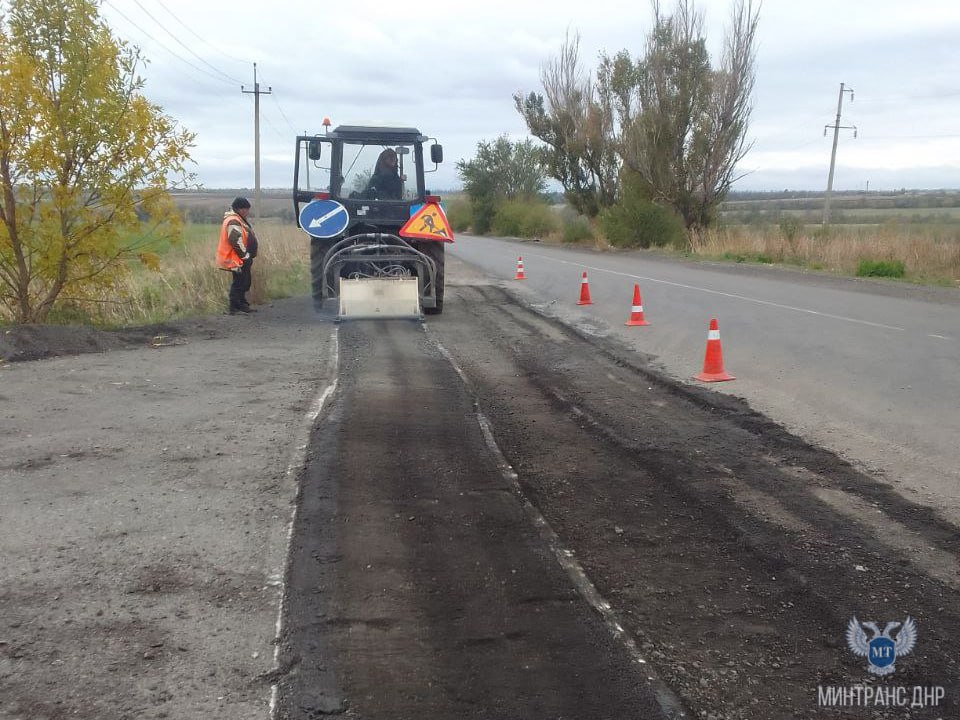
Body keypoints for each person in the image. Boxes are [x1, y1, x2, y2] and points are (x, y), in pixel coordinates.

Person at [216, 196, 259, 314]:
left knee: (244, 281)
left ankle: (242, 305)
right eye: (246, 209)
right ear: (241, 209)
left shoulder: (237, 219)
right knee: (239, 282)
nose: (247, 212)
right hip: (236, 258)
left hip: (239, 257)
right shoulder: (233, 220)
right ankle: (234, 308)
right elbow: (235, 240)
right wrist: (245, 255)